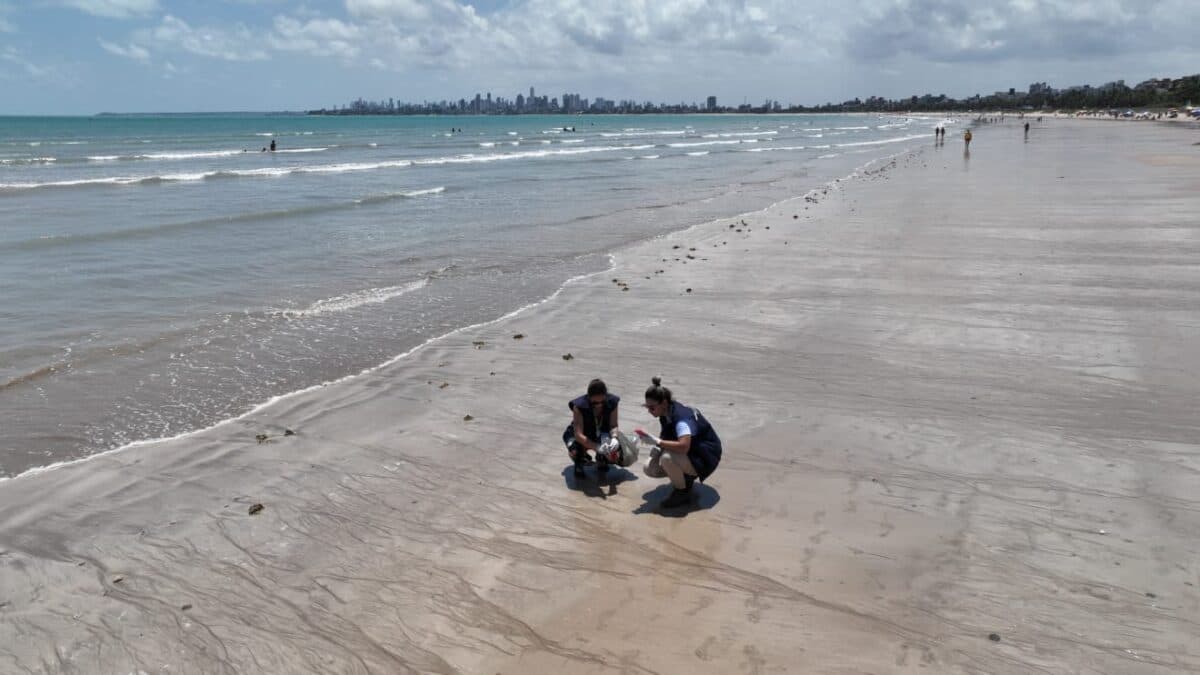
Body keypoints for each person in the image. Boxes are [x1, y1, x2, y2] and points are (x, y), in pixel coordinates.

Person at [639, 377, 722, 508]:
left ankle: (682, 492)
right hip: (694, 452)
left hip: (706, 456)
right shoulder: (666, 413)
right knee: (649, 467)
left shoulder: (681, 419)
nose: (649, 411)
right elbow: (667, 434)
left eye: (652, 407)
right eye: (647, 407)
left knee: (667, 458)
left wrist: (658, 442)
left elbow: (684, 446)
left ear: (664, 403)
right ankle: (685, 478)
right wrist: (655, 449)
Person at [561, 378, 620, 480]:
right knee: (576, 450)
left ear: (606, 396)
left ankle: (601, 459)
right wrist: (597, 447)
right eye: (594, 403)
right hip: (581, 434)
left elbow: (613, 425)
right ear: (588, 397)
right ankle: (579, 461)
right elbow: (578, 435)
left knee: (617, 452)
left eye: (602, 402)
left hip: (601, 432)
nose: (599, 405)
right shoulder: (579, 406)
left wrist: (614, 438)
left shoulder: (612, 402)